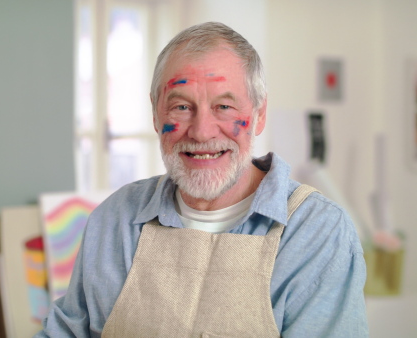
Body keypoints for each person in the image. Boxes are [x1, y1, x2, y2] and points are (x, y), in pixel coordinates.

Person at [35, 21, 368, 337]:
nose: (202, 131)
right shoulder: (113, 221)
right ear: (155, 114)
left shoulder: (316, 232)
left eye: (224, 106)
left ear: (259, 115)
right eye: (181, 107)